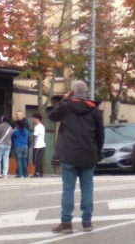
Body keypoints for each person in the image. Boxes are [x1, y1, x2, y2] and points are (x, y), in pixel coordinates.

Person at [47, 81, 105, 234]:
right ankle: (87, 222)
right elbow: (100, 134)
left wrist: (64, 99)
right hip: (89, 154)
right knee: (87, 189)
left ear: (72, 92)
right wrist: (98, 152)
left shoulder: (66, 106)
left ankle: (66, 222)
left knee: (68, 189)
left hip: (69, 155)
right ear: (86, 93)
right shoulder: (95, 110)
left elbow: (51, 116)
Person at [31, 113, 46, 178]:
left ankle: (37, 172)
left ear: (38, 119)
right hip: (42, 145)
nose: (33, 120)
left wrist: (32, 136)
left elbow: (35, 136)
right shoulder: (42, 126)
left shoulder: (37, 127)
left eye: (34, 118)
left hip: (38, 146)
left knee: (37, 159)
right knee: (40, 159)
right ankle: (40, 172)